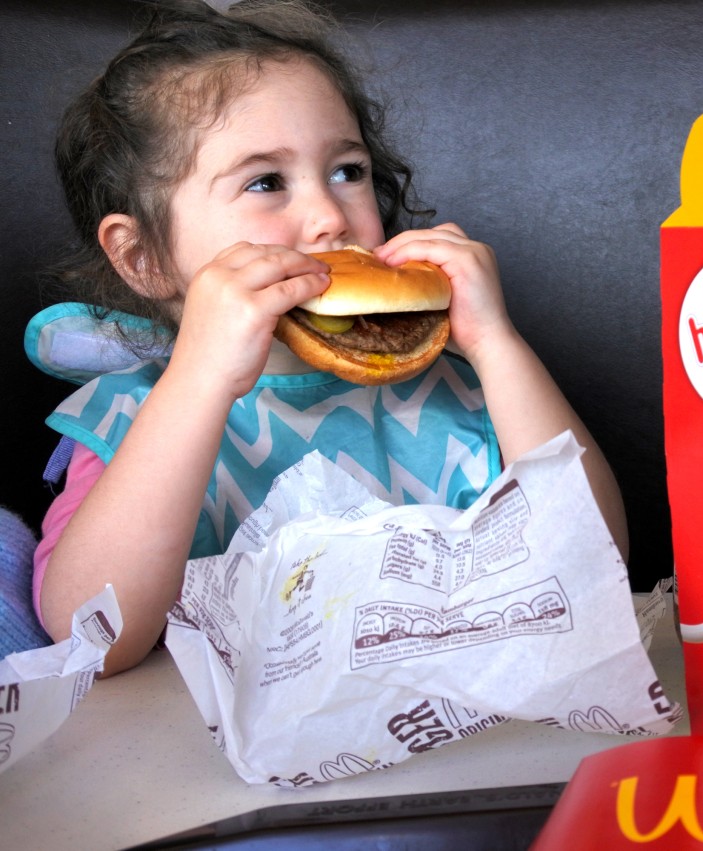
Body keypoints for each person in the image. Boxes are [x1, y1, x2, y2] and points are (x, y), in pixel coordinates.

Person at [29, 0, 627, 677]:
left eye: (348, 170)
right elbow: (92, 639)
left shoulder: (457, 394)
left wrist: (497, 345)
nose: (327, 217)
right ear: (144, 259)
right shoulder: (133, 418)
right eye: (265, 182)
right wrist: (198, 379)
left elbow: (594, 561)